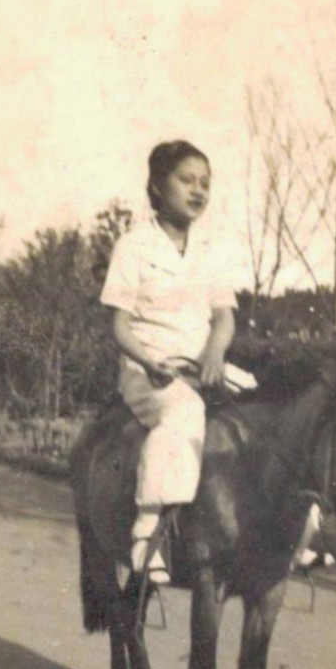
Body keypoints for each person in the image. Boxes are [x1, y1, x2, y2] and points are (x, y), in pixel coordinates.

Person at [101, 139, 247, 582]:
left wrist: (214, 354)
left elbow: (224, 317)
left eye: (205, 182)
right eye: (186, 180)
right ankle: (147, 531)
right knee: (182, 412)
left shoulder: (212, 249)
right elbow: (119, 326)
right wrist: (147, 362)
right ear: (158, 187)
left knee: (266, 412)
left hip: (202, 364)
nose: (198, 190)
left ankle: (296, 536)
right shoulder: (134, 246)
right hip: (150, 370)